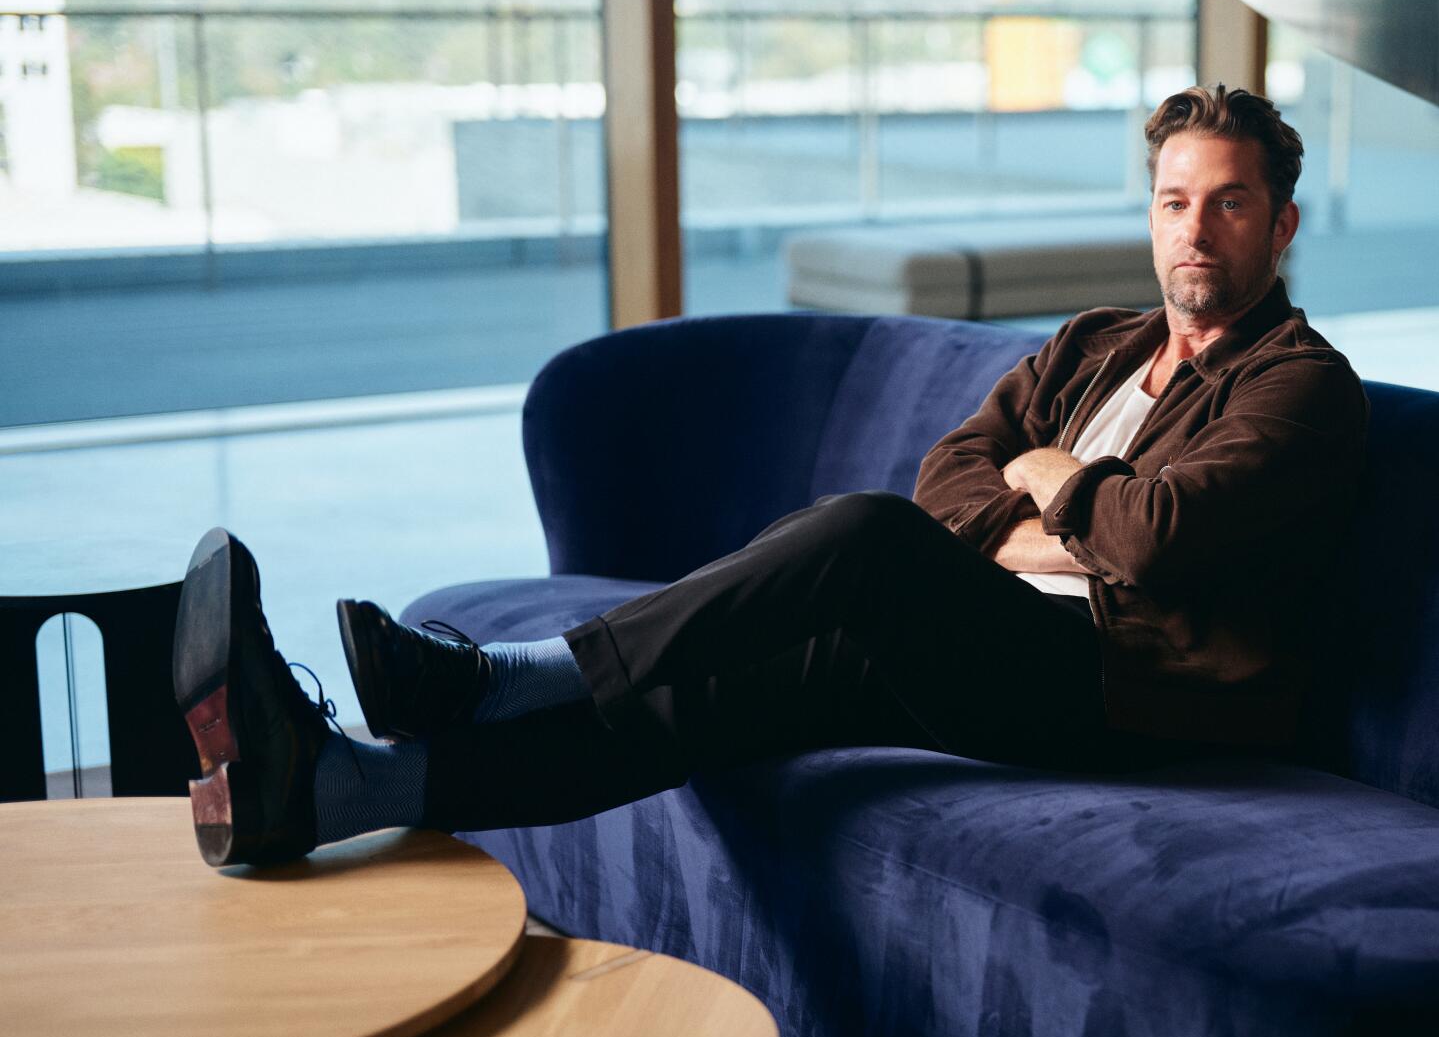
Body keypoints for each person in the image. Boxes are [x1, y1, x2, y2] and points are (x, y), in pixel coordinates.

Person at [174, 85, 1370, 868]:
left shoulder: (1300, 385)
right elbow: (952, 468)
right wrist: (1048, 514)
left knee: (863, 539)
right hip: (1000, 645)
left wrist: (1046, 480)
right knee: (732, 691)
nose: (1194, 231)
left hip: (1122, 695)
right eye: (1174, 202)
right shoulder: (1093, 343)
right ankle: (335, 793)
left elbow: (1153, 539)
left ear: (1280, 226)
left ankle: (505, 677)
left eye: (1228, 204)